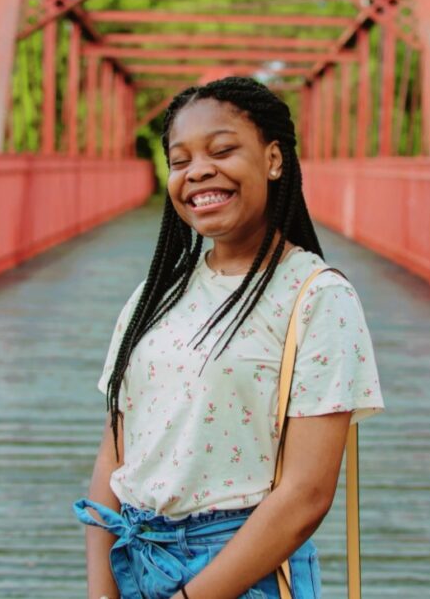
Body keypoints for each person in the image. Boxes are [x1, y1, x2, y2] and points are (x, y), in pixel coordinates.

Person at [73, 77, 384, 599]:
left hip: (244, 571)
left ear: (274, 160)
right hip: (136, 560)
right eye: (179, 160)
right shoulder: (154, 296)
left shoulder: (316, 297)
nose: (197, 171)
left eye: (222, 150)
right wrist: (102, 592)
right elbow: (115, 454)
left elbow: (306, 496)